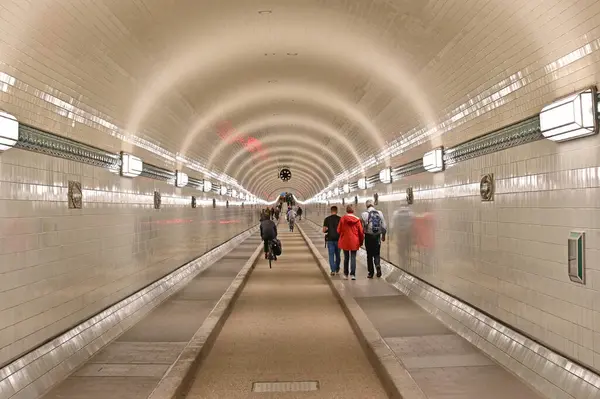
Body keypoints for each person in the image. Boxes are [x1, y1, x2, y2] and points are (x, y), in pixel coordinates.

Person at [361, 200, 387, 278]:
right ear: (373, 205)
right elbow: (384, 226)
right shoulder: (379, 213)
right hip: (377, 237)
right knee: (376, 253)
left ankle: (371, 273)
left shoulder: (364, 214)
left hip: (369, 236)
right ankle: (378, 266)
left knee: (369, 255)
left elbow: (363, 227)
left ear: (366, 206)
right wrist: (383, 236)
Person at [337, 204, 364, 280]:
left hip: (345, 241)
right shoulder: (357, 220)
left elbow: (338, 230)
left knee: (346, 258)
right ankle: (353, 275)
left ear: (346, 210)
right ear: (353, 211)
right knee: (353, 258)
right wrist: (361, 242)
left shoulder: (343, 219)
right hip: (354, 241)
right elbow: (361, 232)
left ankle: (345, 274)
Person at [323, 205, 341, 276]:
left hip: (330, 239)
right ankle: (337, 268)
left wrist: (328, 230)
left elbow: (324, 230)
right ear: (337, 211)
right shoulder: (340, 219)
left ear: (331, 211)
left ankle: (332, 270)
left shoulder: (327, 219)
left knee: (331, 255)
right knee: (338, 255)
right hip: (338, 240)